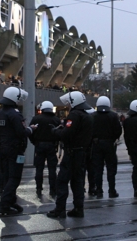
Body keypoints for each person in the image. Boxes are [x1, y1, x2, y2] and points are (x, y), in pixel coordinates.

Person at [47, 91, 93, 219]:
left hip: (71, 153)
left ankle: (60, 210)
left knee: (62, 181)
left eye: (69, 103)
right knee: (78, 182)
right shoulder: (87, 116)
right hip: (81, 153)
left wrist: (55, 132)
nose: (67, 105)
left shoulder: (74, 115)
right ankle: (79, 208)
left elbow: (67, 134)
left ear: (73, 102)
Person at [0, 86, 34, 216]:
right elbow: (21, 132)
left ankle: (11, 201)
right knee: (14, 178)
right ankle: (5, 205)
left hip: (4, 148)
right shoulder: (15, 114)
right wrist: (31, 129)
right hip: (15, 150)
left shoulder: (0, 113)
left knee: (6, 176)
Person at [90, 96, 122, 199]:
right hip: (109, 144)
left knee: (98, 169)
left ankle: (99, 190)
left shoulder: (93, 116)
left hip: (96, 145)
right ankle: (112, 190)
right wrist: (113, 138)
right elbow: (118, 130)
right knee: (111, 169)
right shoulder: (113, 116)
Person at [29, 100, 62, 197]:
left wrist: (34, 142)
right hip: (52, 146)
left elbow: (31, 132)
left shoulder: (36, 119)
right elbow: (60, 133)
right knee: (52, 169)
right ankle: (53, 189)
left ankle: (38, 188)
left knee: (39, 169)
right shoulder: (56, 120)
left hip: (39, 146)